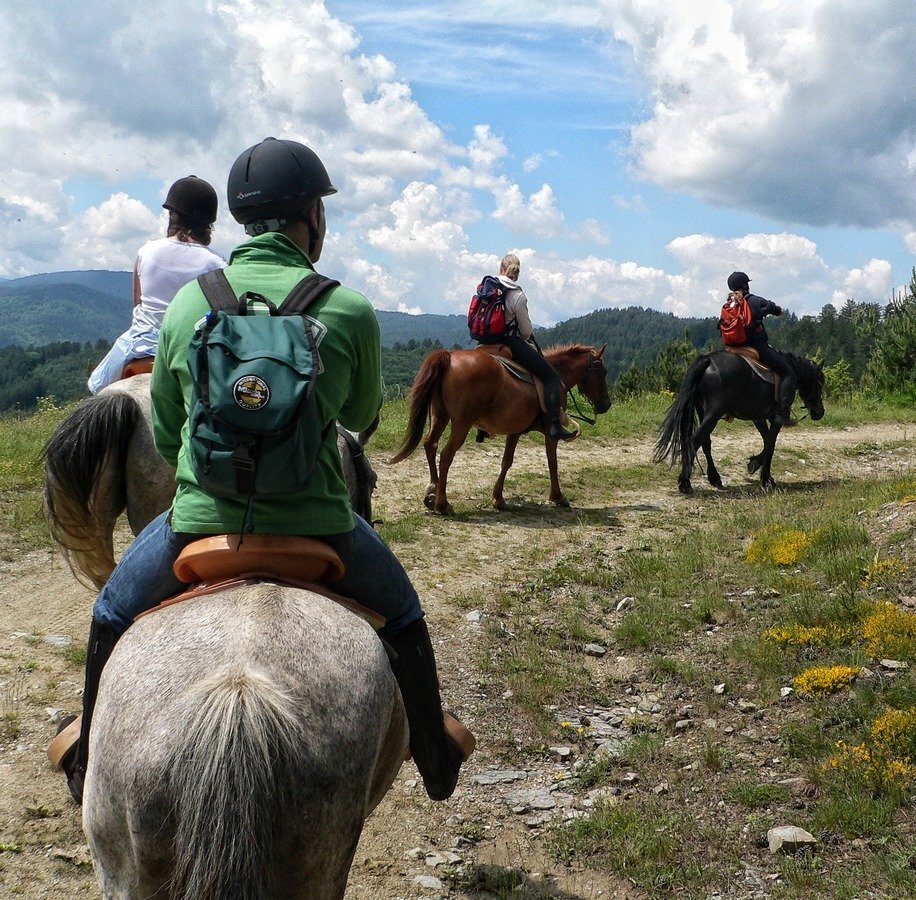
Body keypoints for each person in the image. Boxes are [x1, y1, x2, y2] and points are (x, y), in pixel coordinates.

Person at [50, 138, 473, 805]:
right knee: (405, 614)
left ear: (245, 219)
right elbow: (361, 415)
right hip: (323, 526)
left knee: (109, 611)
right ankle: (435, 757)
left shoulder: (191, 305)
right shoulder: (351, 309)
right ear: (312, 214)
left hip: (198, 525)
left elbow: (164, 430)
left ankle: (85, 757)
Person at [87, 176, 226, 394]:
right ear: (209, 223)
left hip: (139, 346)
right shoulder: (217, 265)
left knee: (96, 388)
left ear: (173, 215)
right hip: (188, 350)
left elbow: (138, 305)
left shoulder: (146, 251)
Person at [480, 253, 578, 442]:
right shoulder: (518, 295)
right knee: (550, 377)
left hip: (485, 342)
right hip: (509, 342)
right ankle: (555, 426)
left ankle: (482, 427)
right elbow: (525, 331)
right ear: (517, 273)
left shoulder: (487, 286)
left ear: (501, 268)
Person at [726, 271, 796, 426]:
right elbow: (771, 307)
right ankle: (782, 414)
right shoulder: (753, 301)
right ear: (745, 285)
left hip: (733, 347)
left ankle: (727, 409)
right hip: (755, 346)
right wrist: (778, 310)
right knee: (788, 373)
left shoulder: (729, 303)